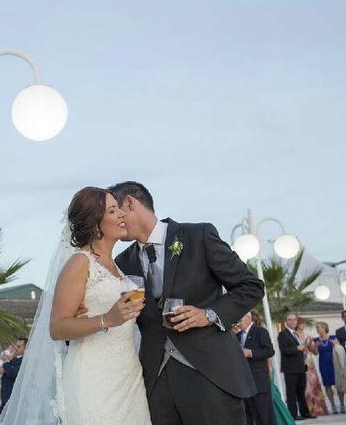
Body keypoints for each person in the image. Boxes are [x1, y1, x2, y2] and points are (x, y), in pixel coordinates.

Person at [109, 181, 264, 425]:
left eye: (113, 212)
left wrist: (209, 314)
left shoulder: (198, 236)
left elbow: (251, 286)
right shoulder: (122, 262)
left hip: (210, 373)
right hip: (155, 380)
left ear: (130, 203)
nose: (112, 222)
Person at [0, 186, 150, 424]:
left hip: (128, 377)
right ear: (95, 223)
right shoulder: (79, 263)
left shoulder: (120, 268)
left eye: (119, 208)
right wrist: (107, 319)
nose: (121, 214)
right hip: (92, 378)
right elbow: (57, 328)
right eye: (112, 210)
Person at [237, 311, 275, 425]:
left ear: (249, 318)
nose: (238, 322)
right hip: (245, 383)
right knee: (248, 416)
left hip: (259, 382)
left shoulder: (260, 331)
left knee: (265, 416)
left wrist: (251, 353)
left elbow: (269, 351)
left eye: (240, 319)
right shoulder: (237, 336)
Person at [278, 313, 315, 420]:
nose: (293, 322)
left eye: (294, 320)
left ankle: (305, 413)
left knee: (301, 392)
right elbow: (285, 350)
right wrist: (297, 348)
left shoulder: (296, 334)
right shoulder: (283, 334)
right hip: (290, 368)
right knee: (291, 393)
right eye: (290, 320)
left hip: (301, 367)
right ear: (286, 322)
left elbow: (302, 348)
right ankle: (293, 415)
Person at [312, 322, 344, 414]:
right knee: (327, 384)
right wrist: (316, 347)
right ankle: (333, 405)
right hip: (323, 363)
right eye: (317, 328)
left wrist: (335, 344)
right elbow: (315, 353)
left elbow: (340, 349)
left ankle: (342, 404)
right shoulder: (316, 340)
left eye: (319, 327)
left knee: (338, 383)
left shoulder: (333, 337)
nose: (318, 329)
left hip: (334, 362)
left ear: (325, 328)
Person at [295, 320, 326, 417]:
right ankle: (309, 409)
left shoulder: (307, 335)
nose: (303, 325)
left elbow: (314, 352)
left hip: (309, 360)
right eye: (301, 323)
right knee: (306, 387)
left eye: (304, 324)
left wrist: (315, 346)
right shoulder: (294, 335)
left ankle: (319, 408)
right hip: (301, 360)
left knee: (314, 385)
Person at [0, 338, 27, 409]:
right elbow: (0, 370)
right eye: (16, 346)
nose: (16, 348)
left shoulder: (25, 361)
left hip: (15, 400)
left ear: (26, 348)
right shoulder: (13, 359)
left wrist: (7, 362)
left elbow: (12, 373)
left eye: (19, 347)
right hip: (6, 398)